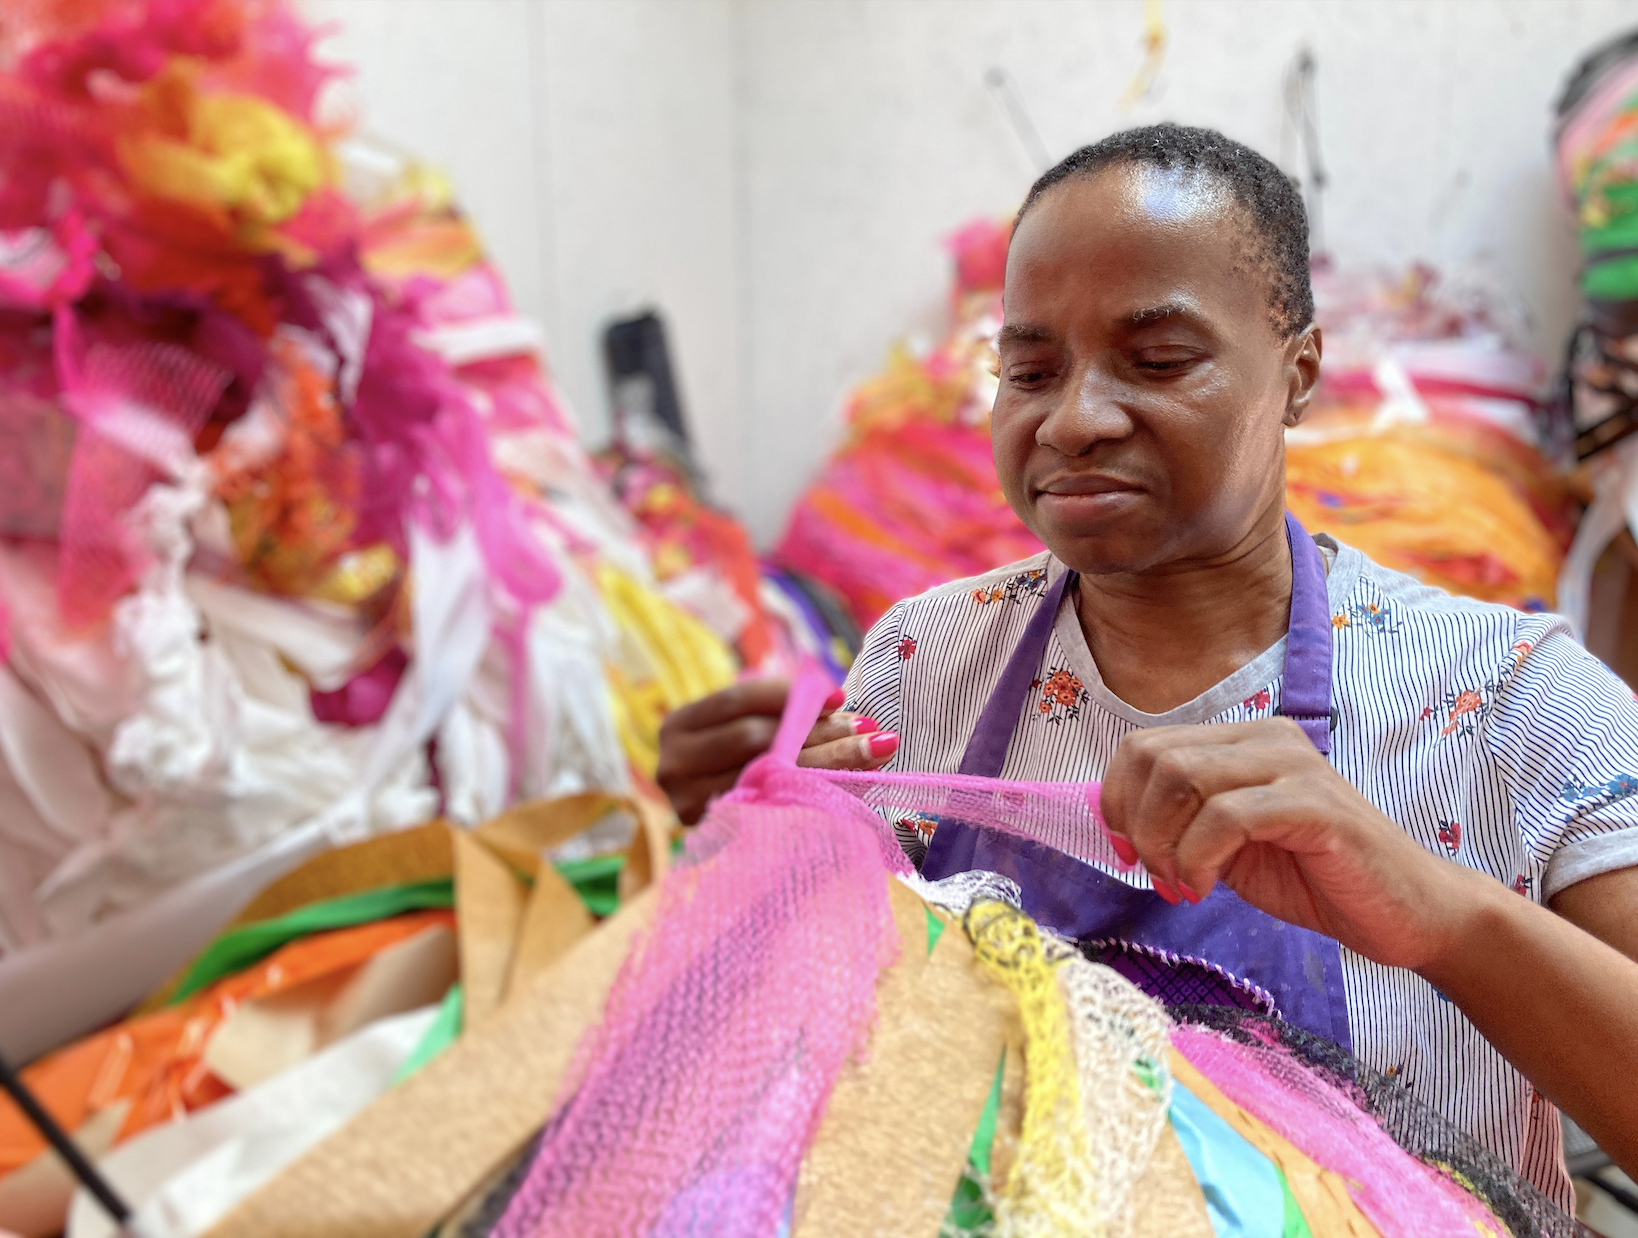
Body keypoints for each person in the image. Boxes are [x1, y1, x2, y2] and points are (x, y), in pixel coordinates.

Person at [657, 124, 1638, 1204]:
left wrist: (1445, 916)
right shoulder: (924, 665)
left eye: (1159, 360)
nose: (1073, 418)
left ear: (1299, 372)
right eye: (1029, 368)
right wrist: (758, 860)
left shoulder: (1508, 703)